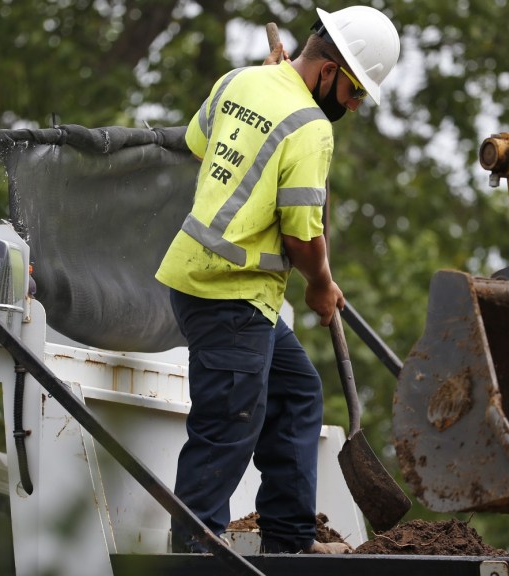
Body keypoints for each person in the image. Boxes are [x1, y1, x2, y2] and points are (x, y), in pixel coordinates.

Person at [155, 5, 400, 554]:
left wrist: (267, 87)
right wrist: (319, 283)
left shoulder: (240, 79)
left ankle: (289, 539)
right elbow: (300, 236)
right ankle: (196, 550)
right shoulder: (311, 128)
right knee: (227, 423)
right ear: (330, 71)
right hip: (229, 292)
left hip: (208, 283)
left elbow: (200, 142)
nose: (356, 106)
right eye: (356, 91)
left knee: (296, 394)